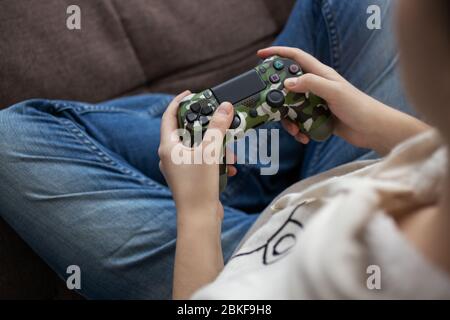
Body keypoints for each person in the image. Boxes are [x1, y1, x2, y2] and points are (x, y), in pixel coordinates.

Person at [0, 0, 448, 299]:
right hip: (346, 173)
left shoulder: (338, 275)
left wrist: (198, 212)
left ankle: (244, 163)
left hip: (234, 257)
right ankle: (259, 157)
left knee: (13, 135)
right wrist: (383, 128)